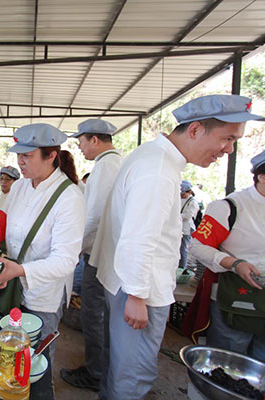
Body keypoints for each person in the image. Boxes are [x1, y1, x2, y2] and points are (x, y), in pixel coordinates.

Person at [89, 94, 263, 399]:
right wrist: (138, 295)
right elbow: (139, 236)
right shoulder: (158, 170)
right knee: (134, 374)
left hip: (129, 284)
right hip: (139, 290)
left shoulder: (155, 157)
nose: (229, 149)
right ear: (195, 130)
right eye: (228, 138)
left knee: (121, 367)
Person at [0, 123, 86, 363]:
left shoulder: (69, 198)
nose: (20, 161)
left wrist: (18, 271)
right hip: (15, 284)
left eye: (27, 156)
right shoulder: (20, 186)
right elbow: (4, 219)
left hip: (43, 293)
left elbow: (65, 261)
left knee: (35, 359)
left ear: (51, 155)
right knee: (12, 350)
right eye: (19, 154)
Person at [183, 150, 265, 362]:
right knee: (229, 363)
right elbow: (198, 245)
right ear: (261, 176)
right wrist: (234, 263)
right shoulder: (230, 207)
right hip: (236, 299)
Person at [61, 118, 124, 392]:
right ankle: (104, 369)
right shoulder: (117, 163)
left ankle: (96, 372)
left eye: (81, 142)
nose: (81, 148)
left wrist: (72, 248)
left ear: (94, 140)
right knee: (102, 314)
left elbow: (94, 216)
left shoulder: (105, 167)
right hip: (110, 254)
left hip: (100, 255)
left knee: (93, 313)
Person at [179, 180, 200, 270]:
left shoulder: (192, 202)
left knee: (183, 248)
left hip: (186, 228)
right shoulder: (180, 199)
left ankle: (182, 268)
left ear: (189, 192)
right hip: (179, 227)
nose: (181, 196)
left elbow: (188, 215)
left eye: (183, 194)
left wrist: (175, 216)